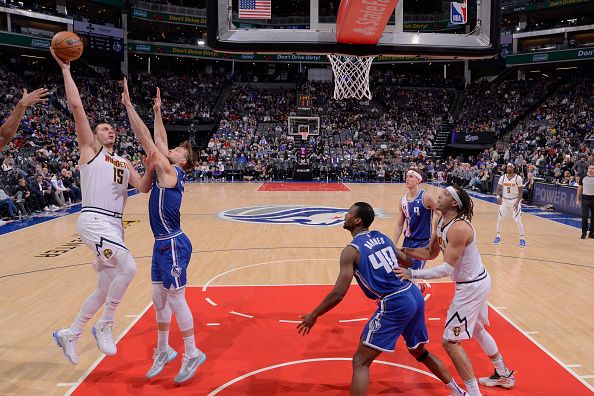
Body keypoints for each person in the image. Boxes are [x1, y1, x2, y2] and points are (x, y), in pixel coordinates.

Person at [298, 202, 467, 396]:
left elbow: (339, 293)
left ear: (358, 220)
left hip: (395, 302)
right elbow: (408, 261)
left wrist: (314, 314)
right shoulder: (381, 236)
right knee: (419, 351)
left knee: (361, 361)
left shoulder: (351, 251)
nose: (345, 216)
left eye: (349, 214)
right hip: (412, 293)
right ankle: (458, 392)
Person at [51, 48, 153, 365]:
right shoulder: (90, 152)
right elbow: (77, 106)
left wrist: (149, 166)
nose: (110, 129)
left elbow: (144, 187)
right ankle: (105, 325)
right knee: (130, 267)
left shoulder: (123, 161)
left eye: (112, 128)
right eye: (104, 127)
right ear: (94, 135)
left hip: (114, 225)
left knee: (105, 287)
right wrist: (66, 70)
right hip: (93, 220)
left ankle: (71, 332)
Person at [122, 81, 205, 383]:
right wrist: (158, 112)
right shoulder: (166, 170)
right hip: (161, 244)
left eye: (177, 149)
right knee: (158, 298)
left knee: (176, 298)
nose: (170, 148)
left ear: (182, 160)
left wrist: (130, 107)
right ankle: (163, 349)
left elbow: (148, 142)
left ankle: (193, 352)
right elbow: (158, 137)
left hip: (173, 243)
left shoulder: (171, 172)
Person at [395, 185, 515, 395]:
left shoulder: (460, 228)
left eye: (444, 195)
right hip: (474, 281)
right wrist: (401, 250)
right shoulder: (441, 221)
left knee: (450, 342)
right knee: (477, 330)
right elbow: (430, 253)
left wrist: (413, 274)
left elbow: (446, 268)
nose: (438, 196)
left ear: (454, 203)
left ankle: (474, 393)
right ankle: (503, 374)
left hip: (471, 286)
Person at [393, 168, 438, 292]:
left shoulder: (426, 197)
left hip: (422, 243)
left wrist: (436, 233)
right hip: (407, 241)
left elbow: (441, 213)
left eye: (411, 176)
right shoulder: (402, 200)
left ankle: (417, 289)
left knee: (412, 273)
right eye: (407, 175)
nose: (407, 178)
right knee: (401, 272)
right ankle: (416, 288)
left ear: (419, 180)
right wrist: (393, 243)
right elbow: (399, 224)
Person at [493, 163, 526, 248]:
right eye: (508, 166)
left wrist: (518, 202)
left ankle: (522, 239)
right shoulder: (503, 177)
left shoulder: (518, 178)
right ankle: (498, 237)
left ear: (514, 168)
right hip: (505, 201)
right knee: (500, 219)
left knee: (518, 220)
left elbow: (521, 192)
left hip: (515, 201)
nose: (509, 168)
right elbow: (497, 190)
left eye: (510, 166)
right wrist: (498, 197)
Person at [576, 165, 594, 239]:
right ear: (588, 169)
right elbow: (579, 188)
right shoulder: (583, 177)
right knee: (584, 216)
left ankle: (591, 233)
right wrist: (577, 199)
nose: (591, 170)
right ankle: (584, 232)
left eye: (593, 168)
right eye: (590, 168)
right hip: (585, 199)